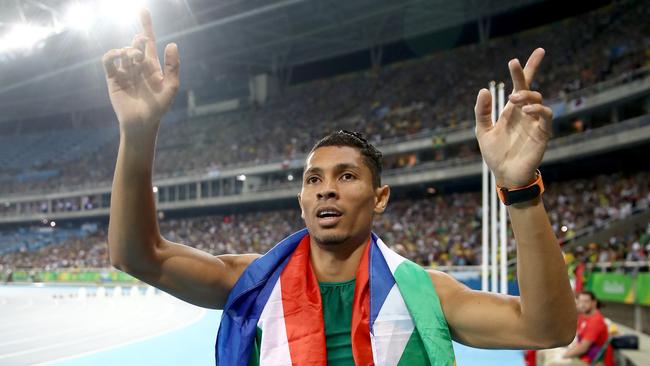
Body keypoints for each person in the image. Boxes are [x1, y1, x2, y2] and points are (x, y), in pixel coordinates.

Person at [102, 9, 576, 365]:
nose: (326, 189)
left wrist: (519, 189)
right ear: (302, 201)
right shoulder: (251, 283)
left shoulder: (426, 294)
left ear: (380, 197)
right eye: (314, 179)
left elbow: (547, 326)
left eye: (346, 176)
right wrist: (138, 132)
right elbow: (138, 255)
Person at [537, 291, 610, 366]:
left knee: (552, 363)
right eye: (580, 301)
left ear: (594, 303)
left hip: (590, 361)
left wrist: (563, 355)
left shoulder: (596, 321)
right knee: (542, 352)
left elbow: (583, 348)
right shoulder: (583, 316)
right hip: (579, 354)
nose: (582, 304)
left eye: (586, 301)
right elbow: (575, 337)